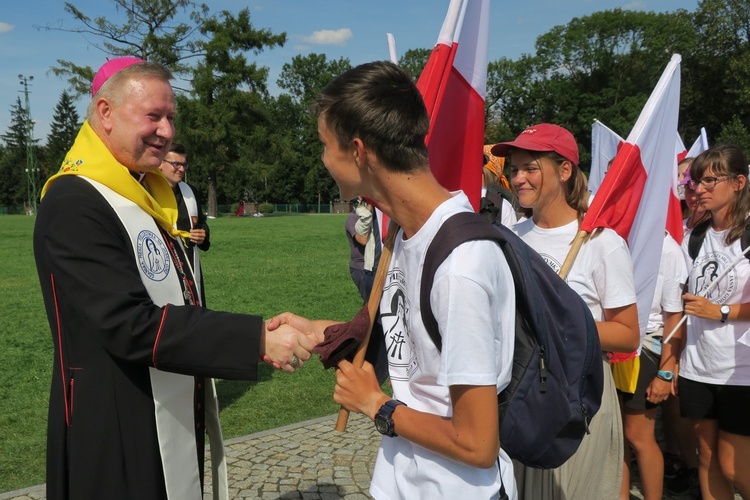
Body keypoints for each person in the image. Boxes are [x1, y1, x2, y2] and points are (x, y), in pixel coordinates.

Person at [33, 57, 316, 500]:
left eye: (171, 117)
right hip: (115, 423)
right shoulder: (75, 199)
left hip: (163, 399)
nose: (167, 131)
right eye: (153, 116)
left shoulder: (144, 191)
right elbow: (129, 324)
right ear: (105, 113)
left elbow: (182, 297)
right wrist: (254, 339)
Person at [270, 61, 518, 499]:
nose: (323, 159)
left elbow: (478, 444)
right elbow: (416, 348)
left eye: (325, 145)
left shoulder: (461, 263)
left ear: (359, 151)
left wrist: (375, 404)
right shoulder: (404, 235)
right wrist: (323, 331)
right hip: (404, 482)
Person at [492, 123, 640, 499]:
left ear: (564, 170)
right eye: (514, 168)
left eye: (531, 167)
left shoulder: (601, 243)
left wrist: (561, 323)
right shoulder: (508, 238)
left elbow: (627, 333)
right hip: (520, 393)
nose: (519, 178)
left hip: (578, 397)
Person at [680, 144, 750, 499]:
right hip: (697, 366)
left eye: (710, 180)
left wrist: (720, 312)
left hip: (740, 370)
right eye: (695, 181)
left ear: (738, 182)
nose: (699, 188)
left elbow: (716, 307)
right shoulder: (693, 237)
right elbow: (678, 304)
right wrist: (668, 364)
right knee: (706, 456)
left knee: (735, 464)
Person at [619, 232, 688, 500]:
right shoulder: (618, 236)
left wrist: (665, 372)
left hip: (646, 349)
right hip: (616, 347)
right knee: (617, 438)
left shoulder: (668, 250)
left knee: (638, 436)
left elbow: (674, 319)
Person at [159, 142, 211, 305]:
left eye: (183, 164)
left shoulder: (191, 191)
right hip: (164, 265)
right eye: (176, 164)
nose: (181, 169)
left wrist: (203, 233)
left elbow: (201, 223)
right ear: (160, 163)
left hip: (190, 264)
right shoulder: (147, 191)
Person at [345, 198, 381, 303]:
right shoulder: (353, 218)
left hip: (373, 266)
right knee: (370, 303)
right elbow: (363, 239)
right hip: (360, 267)